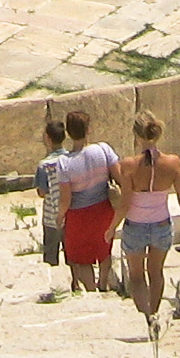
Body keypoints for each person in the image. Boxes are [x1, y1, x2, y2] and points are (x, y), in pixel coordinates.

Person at [116, 113, 180, 320]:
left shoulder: (128, 165)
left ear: (136, 136)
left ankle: (145, 316)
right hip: (161, 225)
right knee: (156, 272)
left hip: (135, 225)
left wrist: (111, 228)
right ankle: (154, 313)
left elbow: (125, 202)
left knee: (136, 276)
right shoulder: (172, 163)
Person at [56, 108, 119, 295]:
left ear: (68, 132)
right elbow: (120, 176)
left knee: (82, 257)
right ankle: (103, 282)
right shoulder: (103, 150)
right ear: (88, 129)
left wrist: (60, 216)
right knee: (104, 248)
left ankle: (91, 290)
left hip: (79, 215)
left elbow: (66, 198)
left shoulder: (64, 162)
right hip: (104, 209)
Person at [34, 116, 70, 275]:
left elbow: (42, 192)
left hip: (51, 216)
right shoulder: (70, 159)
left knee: (50, 254)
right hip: (70, 213)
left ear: (48, 138)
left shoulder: (44, 165)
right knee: (72, 254)